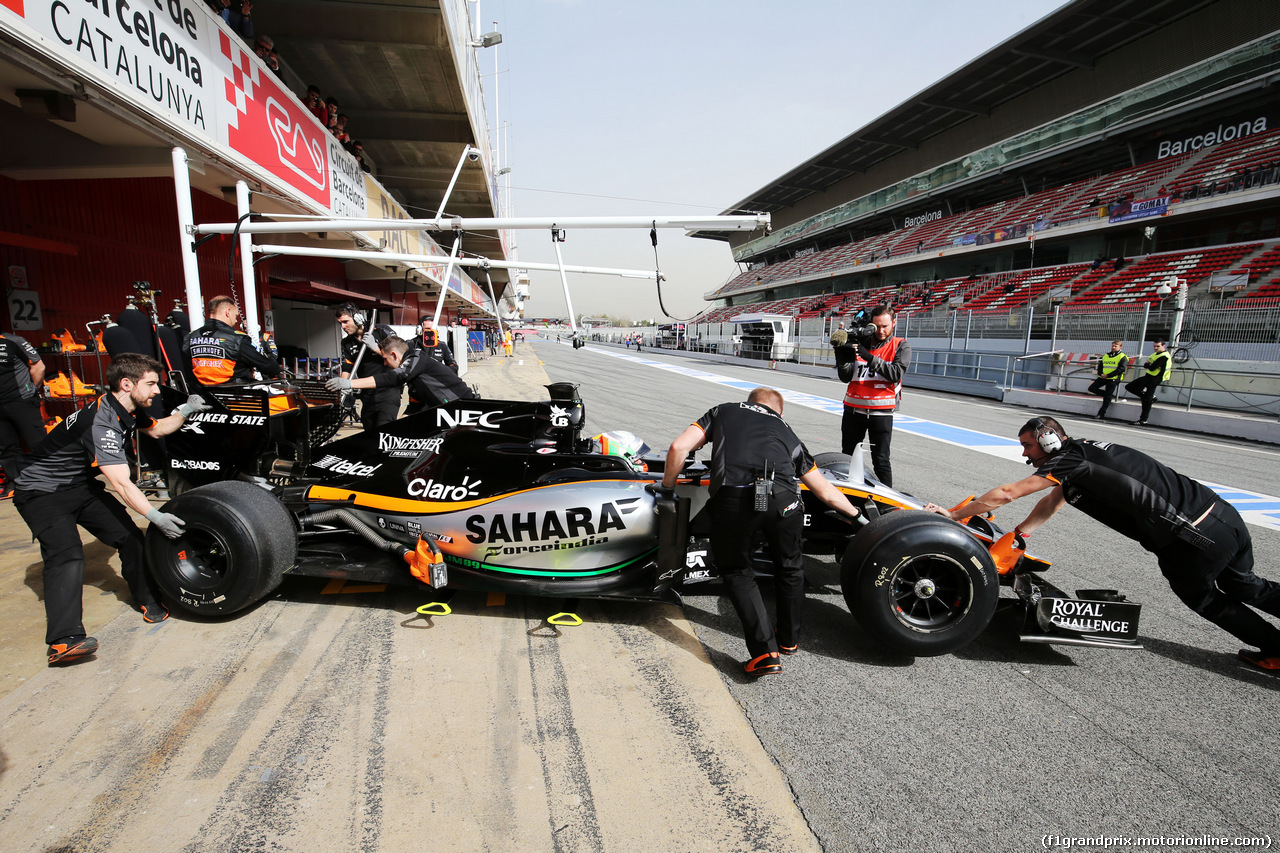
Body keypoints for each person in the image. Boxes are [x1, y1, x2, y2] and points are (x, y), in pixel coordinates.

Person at [922, 415, 1280, 674]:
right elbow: (1054, 499)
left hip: (1192, 538)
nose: (1026, 454)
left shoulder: (1069, 459)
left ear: (1048, 439)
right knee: (1245, 584)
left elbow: (1006, 494)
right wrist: (1022, 533)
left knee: (1205, 598)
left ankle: (1277, 652)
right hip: (1224, 517)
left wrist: (953, 516)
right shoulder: (1086, 453)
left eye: (1028, 445)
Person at [13, 353, 212, 665]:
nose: (157, 391)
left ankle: (148, 599)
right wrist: (155, 515)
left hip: (78, 486)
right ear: (126, 383)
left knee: (132, 538)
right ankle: (65, 641)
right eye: (151, 384)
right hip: (40, 492)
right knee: (66, 555)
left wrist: (185, 410)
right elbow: (121, 483)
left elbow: (158, 429)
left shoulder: (124, 408)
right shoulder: (102, 421)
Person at [662, 388, 861, 677]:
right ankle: (789, 640)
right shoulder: (787, 431)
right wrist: (858, 517)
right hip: (786, 503)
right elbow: (825, 492)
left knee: (738, 571)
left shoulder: (723, 411)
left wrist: (667, 489)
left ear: (749, 402)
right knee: (791, 567)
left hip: (735, 500)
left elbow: (679, 448)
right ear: (779, 412)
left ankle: (766, 653)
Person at [836, 304, 911, 487]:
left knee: (881, 460)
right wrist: (841, 355)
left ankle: (887, 504)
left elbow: (895, 373)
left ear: (894, 323)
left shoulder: (900, 345)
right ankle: (849, 495)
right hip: (853, 410)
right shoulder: (859, 342)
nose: (881, 330)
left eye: (885, 326)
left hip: (881, 412)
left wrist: (868, 357)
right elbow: (845, 377)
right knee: (848, 457)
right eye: (876, 326)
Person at [326, 335, 476, 415]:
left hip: (465, 406)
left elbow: (394, 377)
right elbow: (415, 405)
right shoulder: (414, 375)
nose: (384, 364)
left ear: (394, 355)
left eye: (385, 359)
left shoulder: (417, 359)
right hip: (449, 411)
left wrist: (349, 383)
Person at [184, 295, 282, 387]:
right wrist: (274, 366)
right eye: (235, 316)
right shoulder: (237, 339)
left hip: (204, 394)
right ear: (228, 312)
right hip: (236, 395)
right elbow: (269, 367)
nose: (236, 321)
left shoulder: (191, 337)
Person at [335, 305, 399, 430]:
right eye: (340, 323)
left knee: (384, 430)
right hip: (367, 394)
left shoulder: (381, 331)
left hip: (388, 391)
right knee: (368, 431)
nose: (342, 327)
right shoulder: (346, 342)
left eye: (345, 322)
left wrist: (375, 347)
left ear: (358, 319)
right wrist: (342, 385)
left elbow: (398, 359)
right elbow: (347, 368)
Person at [0, 329, 46, 497]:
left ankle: (49, 480)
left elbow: (38, 366)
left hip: (22, 401)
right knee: (7, 447)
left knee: (37, 443)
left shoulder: (14, 341)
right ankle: (16, 484)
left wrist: (32, 390)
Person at [1124, 340, 1172, 425]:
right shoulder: (1154, 355)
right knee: (1129, 387)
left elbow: (1152, 367)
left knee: (1146, 400)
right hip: (1149, 376)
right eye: (1154, 346)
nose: (1155, 348)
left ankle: (1143, 420)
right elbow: (1147, 365)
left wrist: (1148, 365)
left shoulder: (1164, 356)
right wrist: (1148, 365)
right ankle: (1150, 397)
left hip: (1156, 378)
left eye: (1158, 346)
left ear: (1163, 346)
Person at [1088, 340, 1128, 419]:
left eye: (1115, 346)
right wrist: (1100, 374)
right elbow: (1101, 366)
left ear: (1120, 347)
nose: (1113, 347)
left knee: (1107, 398)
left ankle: (1101, 413)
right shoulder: (1106, 355)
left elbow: (1121, 369)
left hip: (1113, 378)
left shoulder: (1122, 356)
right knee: (1092, 388)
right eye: (1112, 346)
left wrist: (1108, 375)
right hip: (1103, 377)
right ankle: (1108, 395)